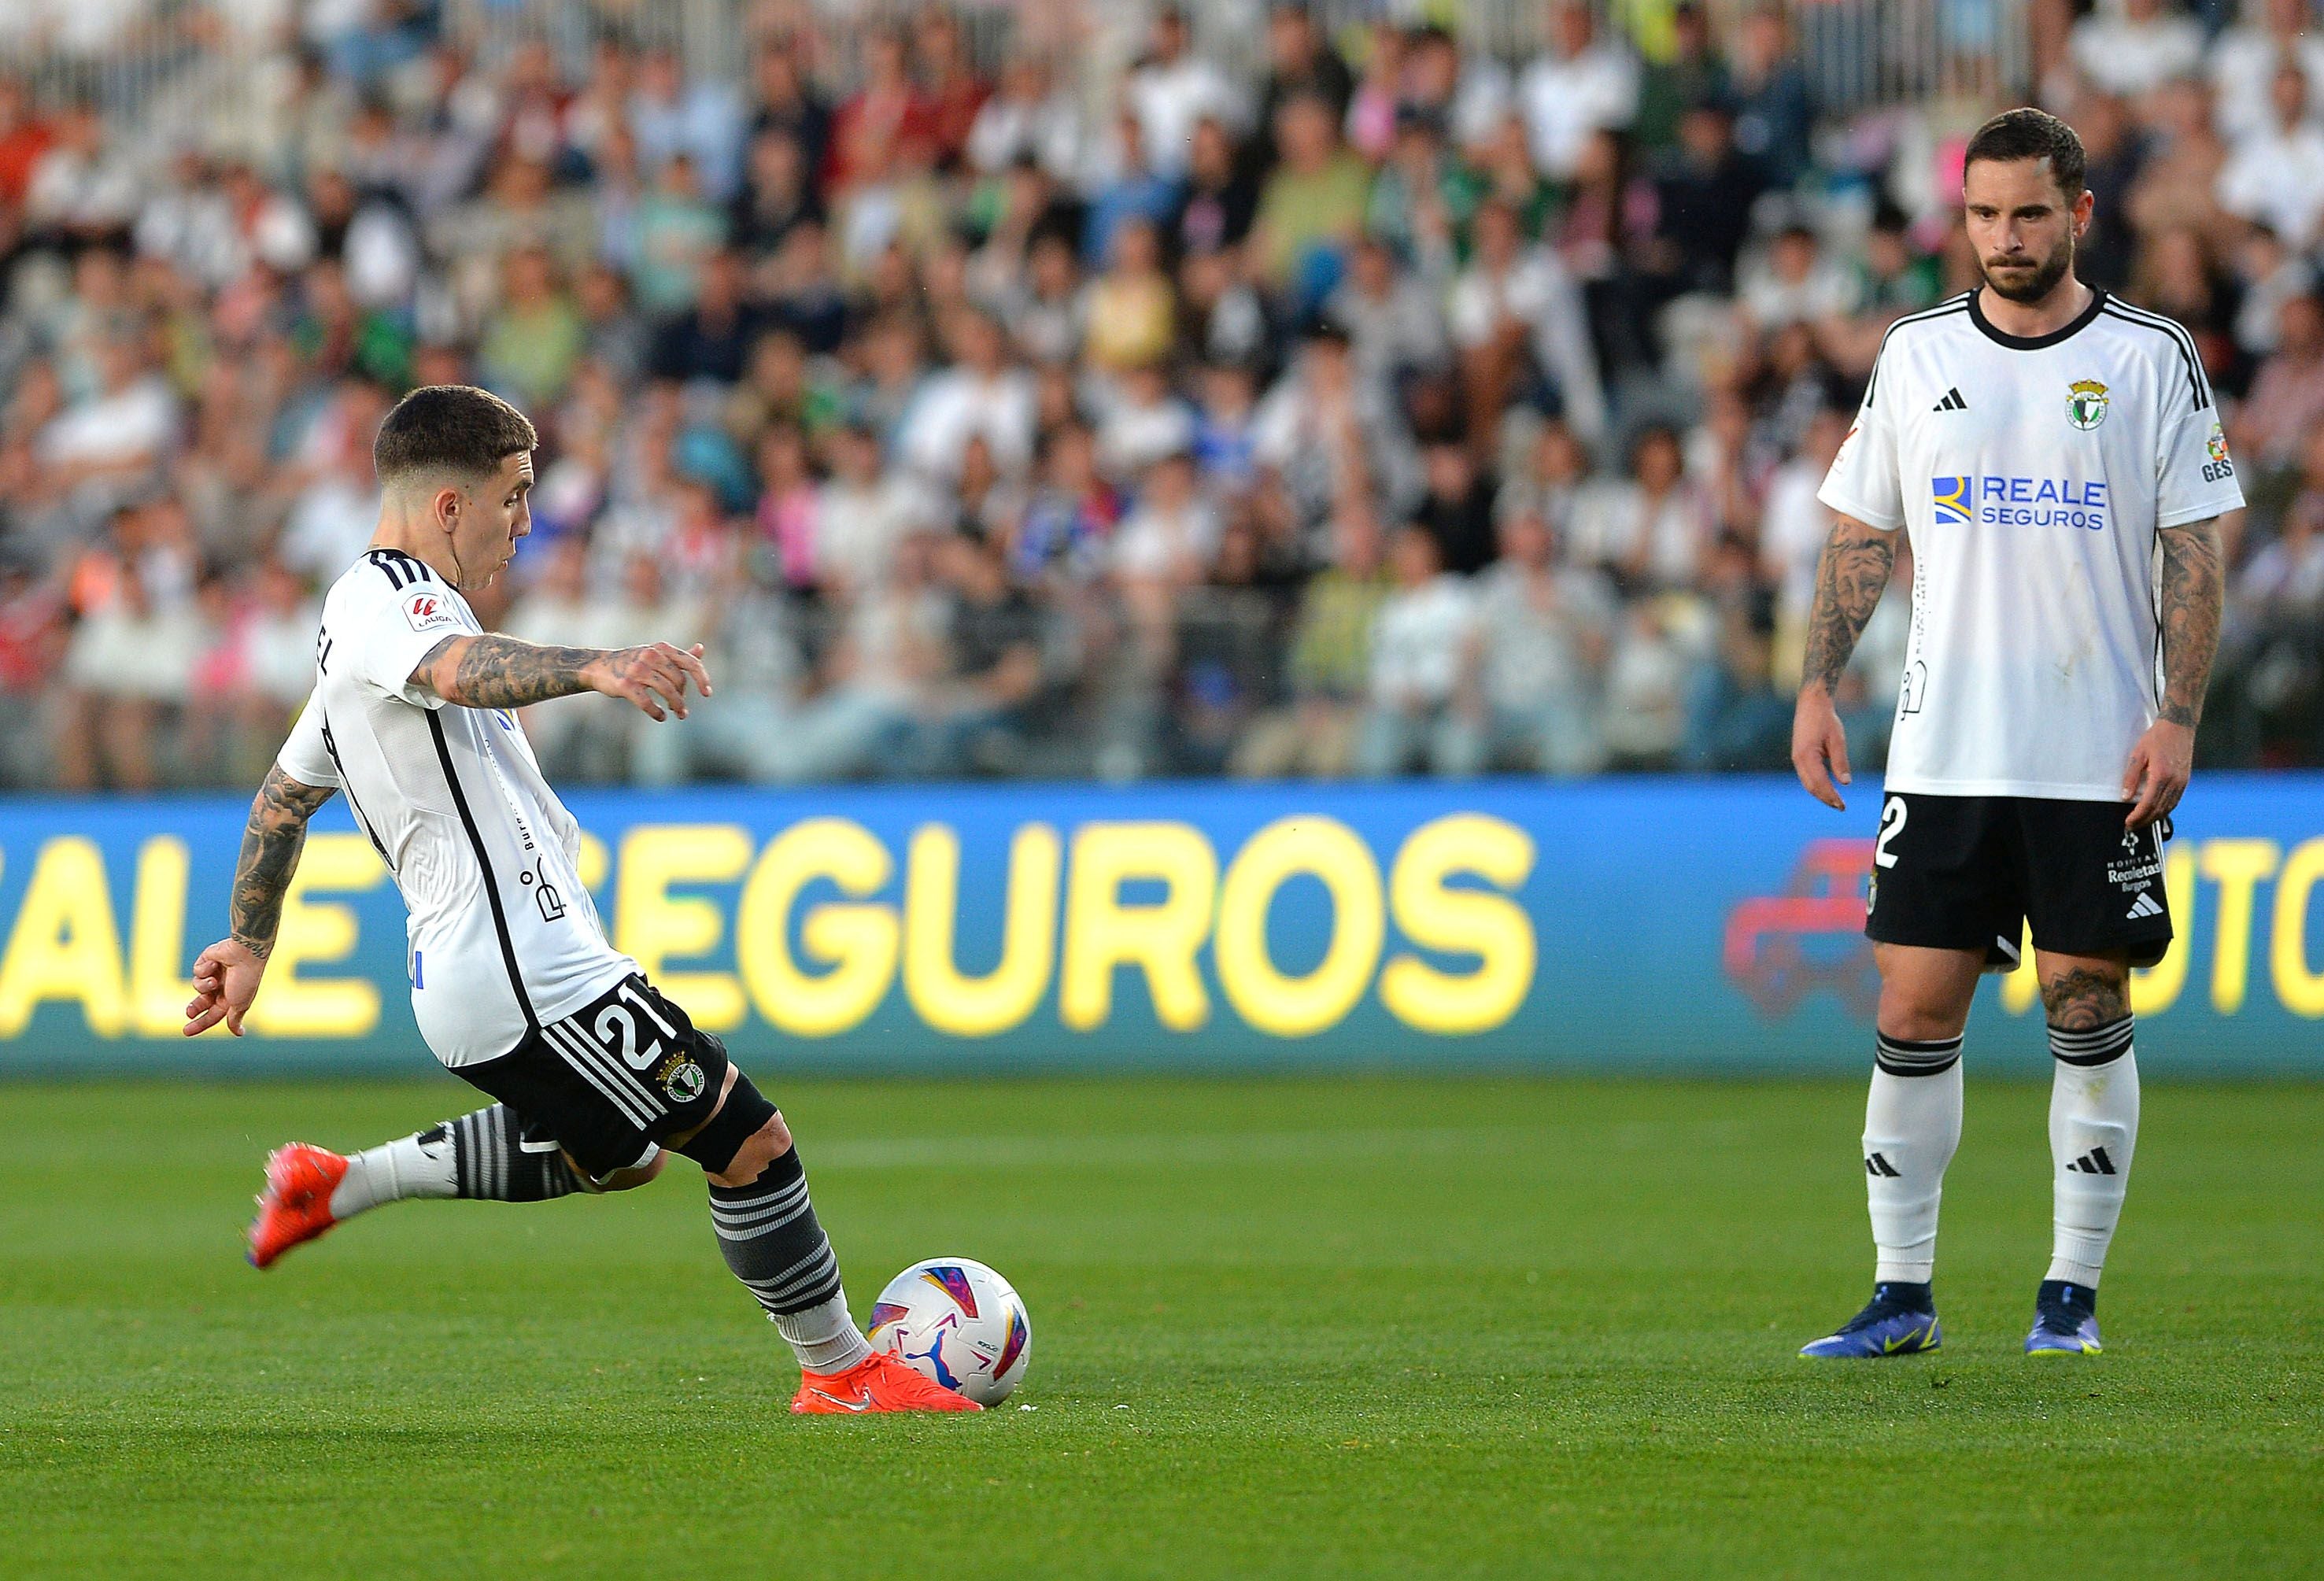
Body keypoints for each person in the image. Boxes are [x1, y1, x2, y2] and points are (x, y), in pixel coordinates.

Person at [183, 385, 974, 1416]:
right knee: (751, 1143)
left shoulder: (354, 635)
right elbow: (457, 670)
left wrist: (249, 941)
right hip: (524, 968)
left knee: (623, 1155)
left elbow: (285, 795)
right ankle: (840, 1371)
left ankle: (340, 1181)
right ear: (450, 506)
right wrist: (599, 662)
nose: (525, 520)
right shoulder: (392, 605)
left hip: (480, 976)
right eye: (513, 495)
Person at [1791, 111, 2240, 1358]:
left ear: (2078, 214)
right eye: (1983, 215)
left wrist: (2176, 715)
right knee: (1915, 1000)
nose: (2003, 237)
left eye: (2028, 214)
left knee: (2082, 993)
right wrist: (1817, 683)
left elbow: (2194, 547)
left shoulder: (2152, 356)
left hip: (2095, 746)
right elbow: (1861, 529)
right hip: (1944, 747)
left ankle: (2069, 1296)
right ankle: (1899, 1291)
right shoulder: (1914, 349)